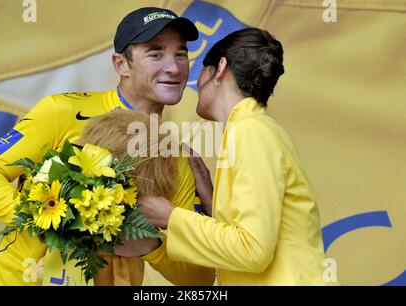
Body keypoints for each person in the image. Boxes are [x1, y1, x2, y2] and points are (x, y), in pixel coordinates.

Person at [0, 7, 215, 286]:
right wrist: (56, 220)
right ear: (121, 64)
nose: (174, 67)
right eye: (156, 53)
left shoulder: (176, 157)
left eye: (180, 54)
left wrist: (151, 247)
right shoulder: (63, 109)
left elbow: (199, 279)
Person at [137, 28, 333, 285]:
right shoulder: (253, 129)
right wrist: (210, 202)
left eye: (200, 71)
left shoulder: (251, 131)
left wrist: (170, 217)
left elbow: (252, 251)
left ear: (219, 68)